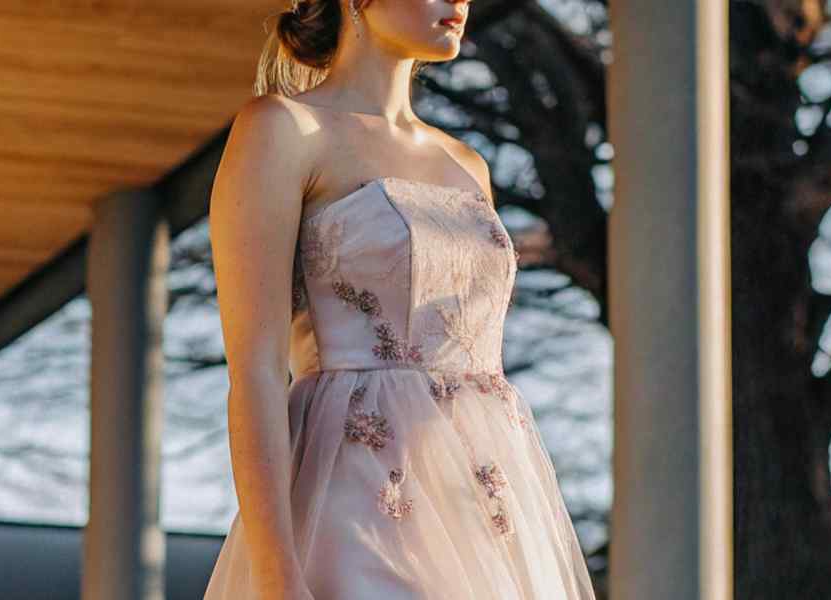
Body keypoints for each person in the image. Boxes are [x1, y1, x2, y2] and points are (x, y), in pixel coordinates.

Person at [202, 0, 601, 598]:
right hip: (351, 501)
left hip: (484, 508)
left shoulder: (466, 165)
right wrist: (276, 576)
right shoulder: (283, 129)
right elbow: (256, 371)